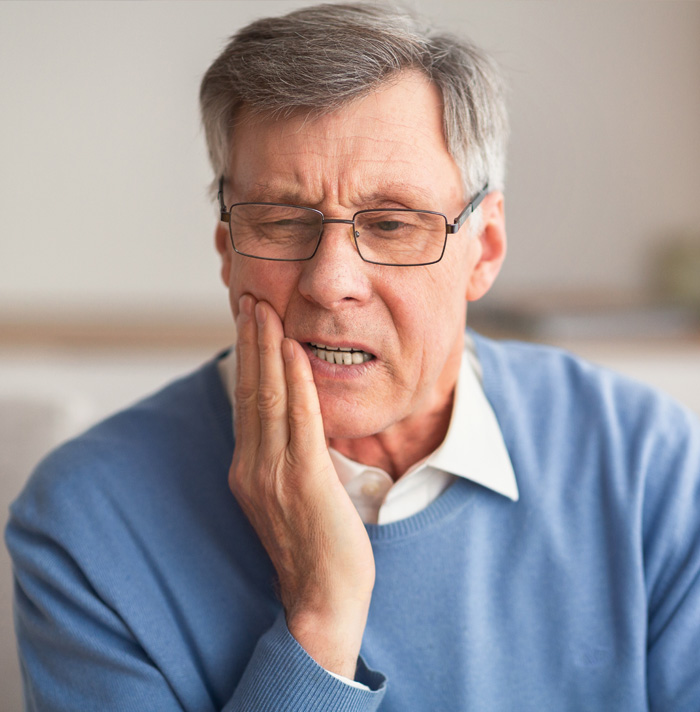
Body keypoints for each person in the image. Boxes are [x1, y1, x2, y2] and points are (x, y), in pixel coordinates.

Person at [6, 3, 700, 710]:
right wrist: (321, 618)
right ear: (227, 251)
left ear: (484, 249)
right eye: (279, 221)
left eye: (394, 224)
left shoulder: (648, 465)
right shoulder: (84, 521)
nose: (331, 282)